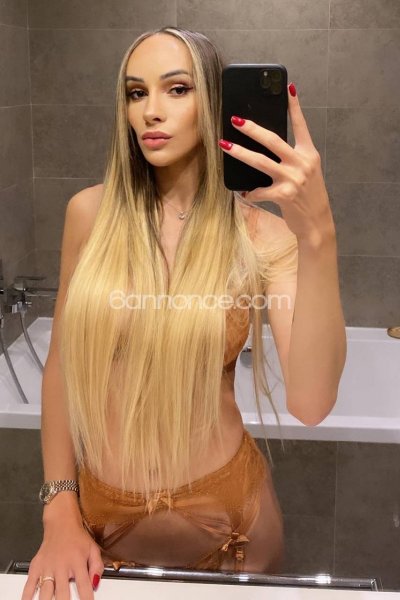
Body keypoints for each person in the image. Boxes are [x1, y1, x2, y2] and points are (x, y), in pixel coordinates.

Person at [21, 26, 346, 600]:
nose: (150, 110)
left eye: (176, 89)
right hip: (96, 520)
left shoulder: (263, 236)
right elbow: (63, 368)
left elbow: (311, 403)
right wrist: (58, 507)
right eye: (135, 92)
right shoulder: (89, 215)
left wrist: (317, 235)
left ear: (214, 101)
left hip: (234, 524)